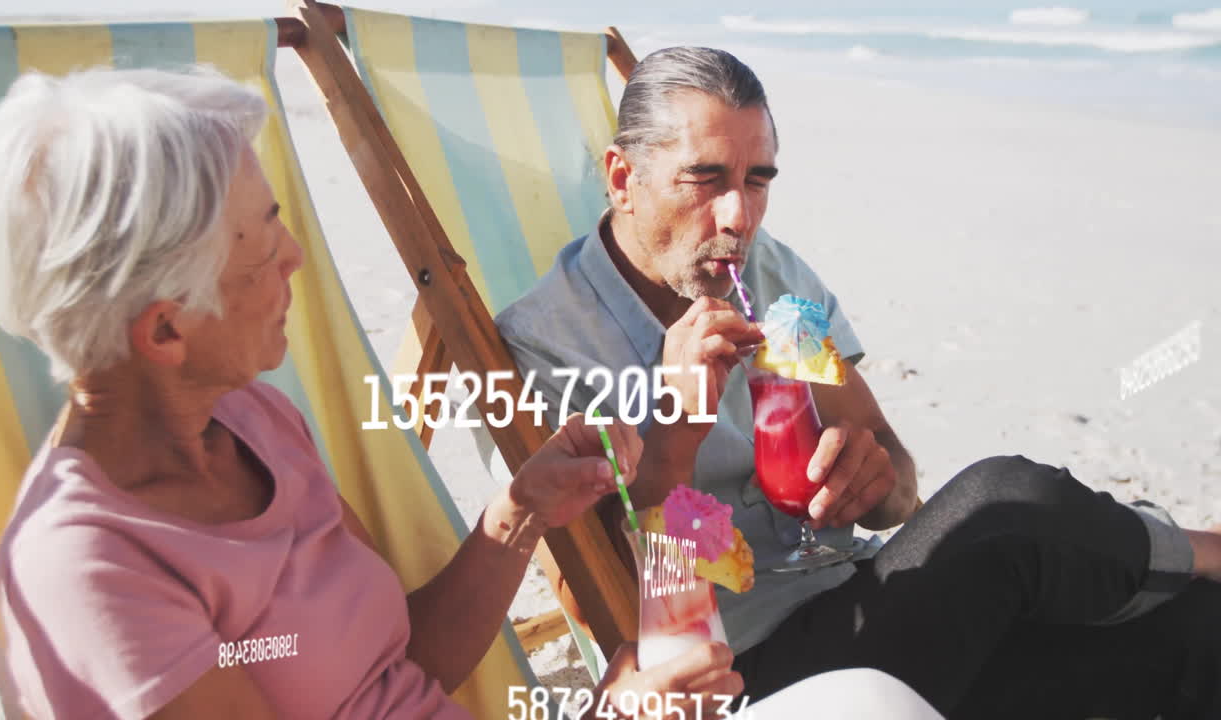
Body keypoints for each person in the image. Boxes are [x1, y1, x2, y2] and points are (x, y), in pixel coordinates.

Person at [0, 66, 749, 720]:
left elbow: (398, 662)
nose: (296, 257)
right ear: (166, 331)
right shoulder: (91, 568)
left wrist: (521, 511)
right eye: (265, 240)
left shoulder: (249, 419)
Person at [495, 46, 1221, 718]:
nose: (738, 216)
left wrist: (875, 480)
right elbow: (616, 617)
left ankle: (1154, 559)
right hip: (747, 673)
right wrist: (674, 444)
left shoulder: (768, 277)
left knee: (1197, 629)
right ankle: (1198, 545)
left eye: (757, 181)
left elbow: (900, 490)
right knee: (1002, 504)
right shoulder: (545, 350)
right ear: (625, 179)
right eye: (705, 178)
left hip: (873, 614)